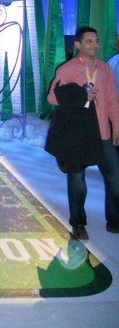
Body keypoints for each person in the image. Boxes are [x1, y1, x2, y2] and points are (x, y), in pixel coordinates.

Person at [45, 26, 119, 240]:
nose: (94, 45)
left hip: (103, 133)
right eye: (89, 41)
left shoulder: (104, 69)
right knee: (77, 181)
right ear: (78, 44)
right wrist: (80, 96)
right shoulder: (67, 70)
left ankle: (114, 221)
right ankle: (78, 223)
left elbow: (113, 100)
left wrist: (117, 126)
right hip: (77, 135)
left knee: (115, 179)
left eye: (96, 41)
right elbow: (52, 97)